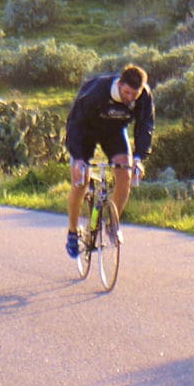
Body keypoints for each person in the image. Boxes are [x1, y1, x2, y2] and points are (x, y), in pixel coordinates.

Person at [63, 63, 154, 258]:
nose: (130, 99)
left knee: (125, 175)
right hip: (85, 131)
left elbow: (144, 126)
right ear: (119, 84)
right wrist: (78, 159)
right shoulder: (97, 92)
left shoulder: (143, 95)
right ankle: (72, 231)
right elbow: (75, 125)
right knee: (80, 182)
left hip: (113, 132)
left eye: (134, 95)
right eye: (127, 93)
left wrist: (138, 158)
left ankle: (113, 223)